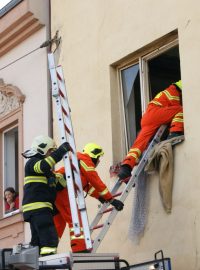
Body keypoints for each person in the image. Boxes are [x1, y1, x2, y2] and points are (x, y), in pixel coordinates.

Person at [53, 143, 124, 253]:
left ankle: (49, 248)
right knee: (75, 219)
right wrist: (111, 199)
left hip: (56, 192)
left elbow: (86, 186)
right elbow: (95, 180)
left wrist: (99, 196)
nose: (99, 161)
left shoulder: (79, 163)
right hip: (62, 191)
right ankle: (79, 248)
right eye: (98, 157)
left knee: (58, 223)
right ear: (93, 155)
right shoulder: (85, 160)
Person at [118, 80, 184, 180]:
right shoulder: (173, 92)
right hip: (155, 114)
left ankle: (126, 167)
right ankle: (175, 132)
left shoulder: (166, 92)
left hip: (147, 117)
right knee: (180, 109)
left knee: (139, 144)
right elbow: (175, 108)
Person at [21, 135, 70, 256]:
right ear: (42, 149)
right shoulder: (32, 163)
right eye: (50, 151)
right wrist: (61, 151)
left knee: (38, 240)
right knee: (49, 238)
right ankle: (48, 262)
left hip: (38, 209)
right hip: (38, 208)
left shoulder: (47, 173)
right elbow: (44, 165)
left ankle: (37, 261)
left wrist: (70, 175)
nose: (51, 154)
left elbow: (58, 185)